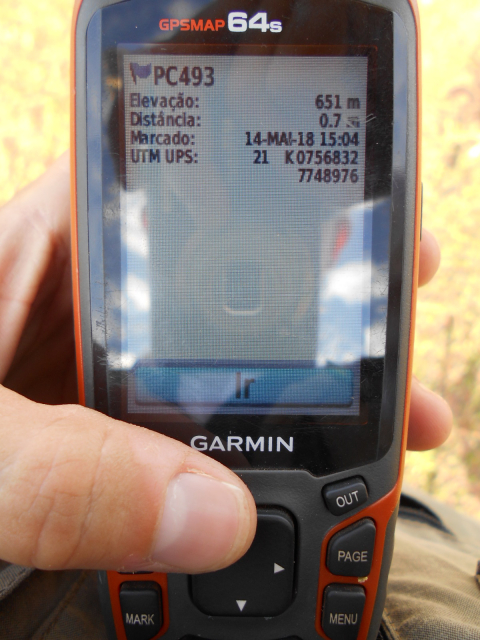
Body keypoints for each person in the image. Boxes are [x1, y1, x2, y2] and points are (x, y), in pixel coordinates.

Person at [0, 154, 478, 639]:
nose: (242, 276)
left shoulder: (332, 390)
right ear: (170, 256)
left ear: (319, 265)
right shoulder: (131, 387)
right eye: (207, 236)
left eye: (282, 236)